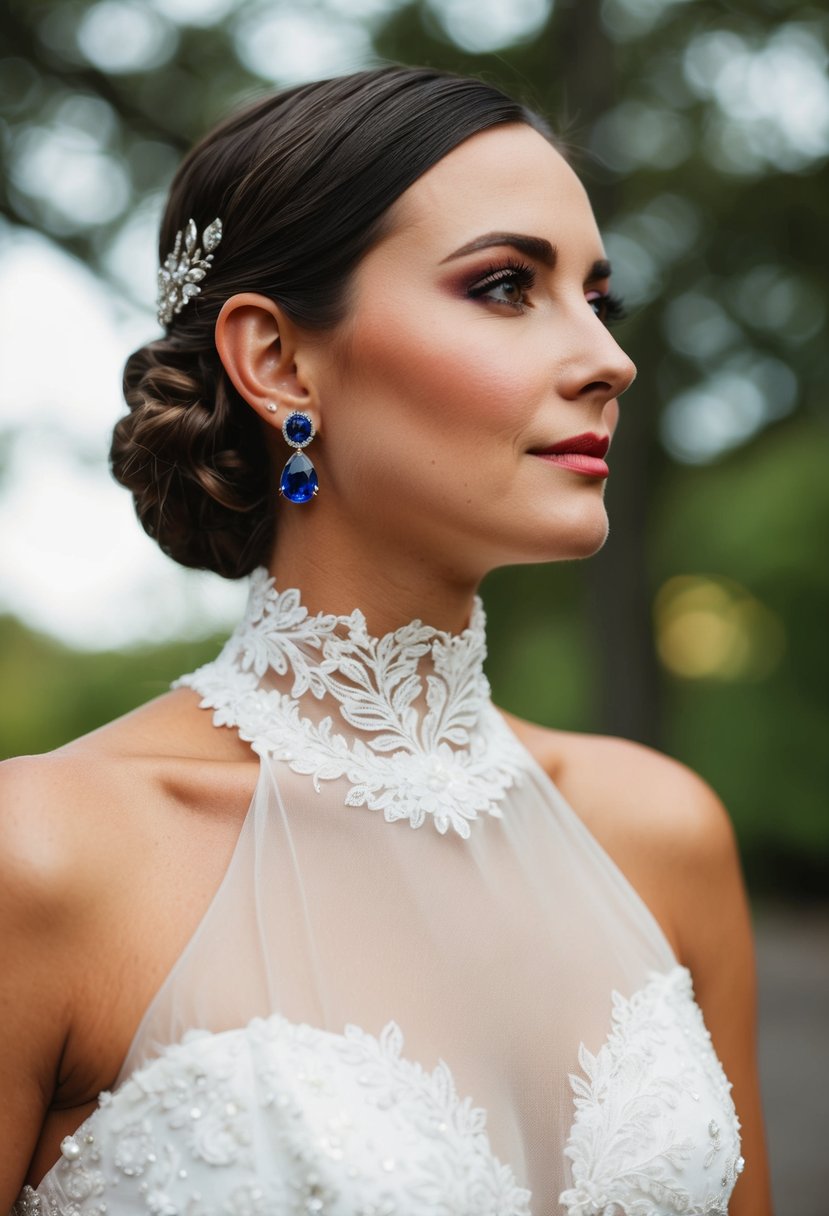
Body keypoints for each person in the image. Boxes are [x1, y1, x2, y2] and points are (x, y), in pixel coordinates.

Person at [1, 66, 772, 1215]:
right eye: (506, 285)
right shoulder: (47, 860)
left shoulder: (661, 835)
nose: (608, 360)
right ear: (278, 361)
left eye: (595, 299)